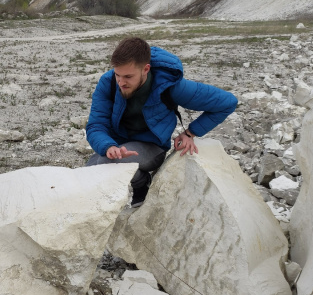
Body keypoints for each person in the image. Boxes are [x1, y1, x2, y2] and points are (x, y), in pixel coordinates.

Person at [85, 37, 237, 206]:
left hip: (152, 147)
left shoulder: (168, 85)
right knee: (88, 173)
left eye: (128, 76)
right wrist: (108, 146)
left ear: (146, 69)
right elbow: (95, 125)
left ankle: (141, 183)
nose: (121, 82)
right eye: (117, 75)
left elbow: (227, 102)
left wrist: (190, 133)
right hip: (119, 143)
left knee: (107, 162)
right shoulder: (109, 83)